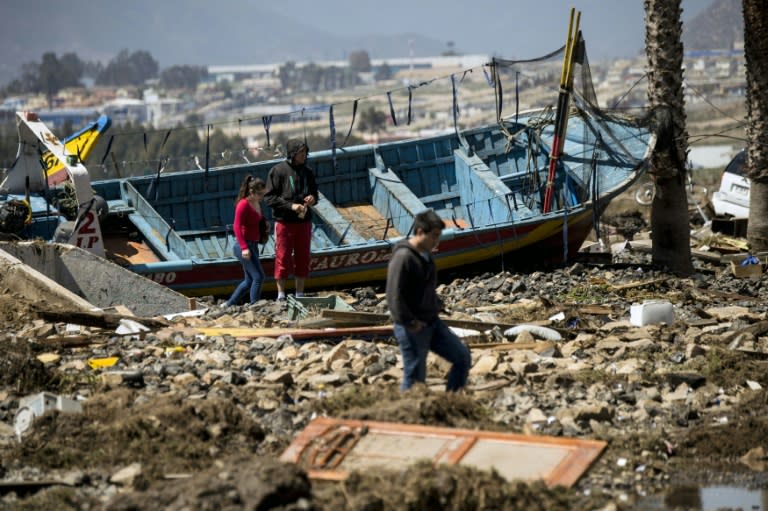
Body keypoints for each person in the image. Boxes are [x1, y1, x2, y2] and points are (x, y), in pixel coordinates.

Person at [385, 209, 471, 392]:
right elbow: (394, 295)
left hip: (432, 322)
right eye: (433, 237)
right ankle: (409, 416)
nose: (436, 242)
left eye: (438, 237)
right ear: (419, 232)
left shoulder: (425, 255)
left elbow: (425, 287)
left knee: (462, 357)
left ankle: (452, 401)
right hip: (413, 327)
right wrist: (409, 322)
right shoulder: (403, 257)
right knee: (415, 379)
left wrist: (437, 304)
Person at [264, 138, 318, 301]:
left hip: (304, 222)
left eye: (305, 152)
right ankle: (281, 294)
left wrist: (312, 199)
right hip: (284, 223)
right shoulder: (278, 171)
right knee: (283, 256)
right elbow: (269, 198)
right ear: (293, 154)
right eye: (301, 152)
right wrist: (291, 206)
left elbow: (315, 194)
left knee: (303, 257)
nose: (304, 155)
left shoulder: (308, 172)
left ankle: (299, 293)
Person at [226, 175, 267, 306]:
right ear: (251, 192)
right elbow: (236, 226)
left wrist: (265, 224)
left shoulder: (257, 203)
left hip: (253, 244)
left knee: (249, 280)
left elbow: (257, 220)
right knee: (258, 277)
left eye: (263, 193)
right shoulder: (243, 204)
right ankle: (255, 304)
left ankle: (229, 304)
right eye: (259, 194)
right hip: (243, 246)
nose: (262, 196)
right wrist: (244, 248)